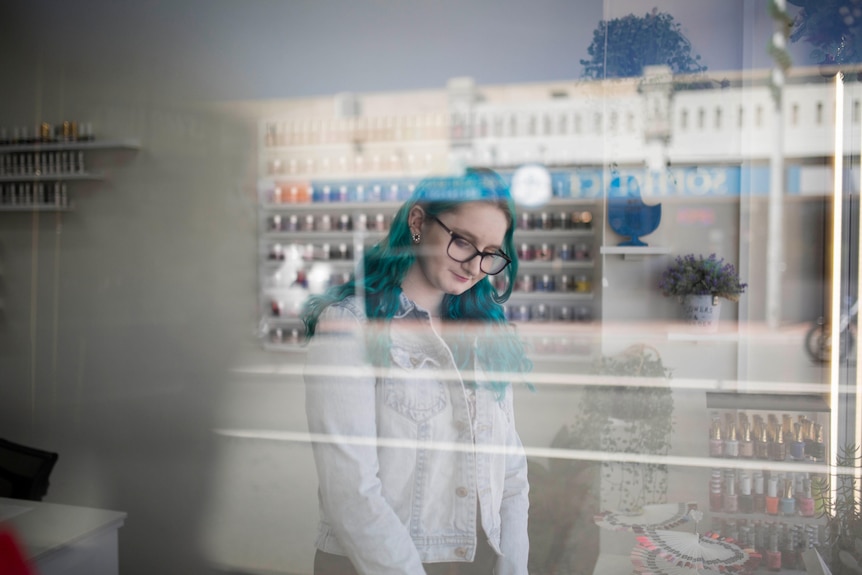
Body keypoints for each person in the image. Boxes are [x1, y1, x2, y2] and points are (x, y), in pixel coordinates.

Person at [302, 168, 533, 575]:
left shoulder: (485, 334)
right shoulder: (349, 325)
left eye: (491, 252)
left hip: (477, 562)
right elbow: (350, 493)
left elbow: (511, 474)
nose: (476, 266)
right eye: (463, 242)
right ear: (417, 222)